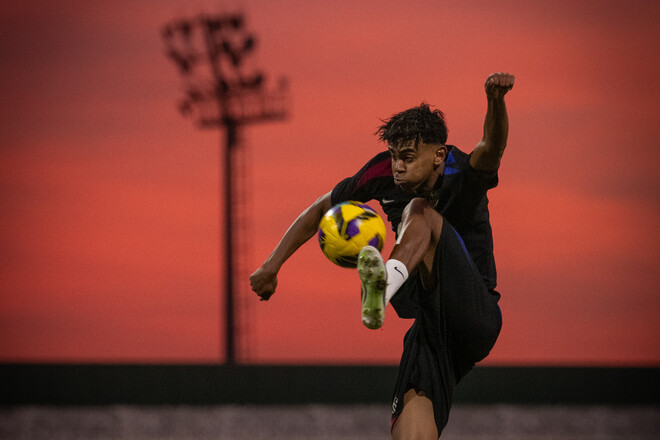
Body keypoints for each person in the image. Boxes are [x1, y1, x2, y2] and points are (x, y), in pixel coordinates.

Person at [250, 72, 515, 439]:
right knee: (414, 403)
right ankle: (386, 287)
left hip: (474, 310)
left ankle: (384, 283)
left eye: (408, 157)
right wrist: (271, 266)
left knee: (420, 211)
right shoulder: (380, 173)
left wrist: (496, 100)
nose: (397, 166)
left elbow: (492, 147)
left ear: (439, 155)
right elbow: (318, 210)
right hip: (430, 319)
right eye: (393, 156)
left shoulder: (461, 171)